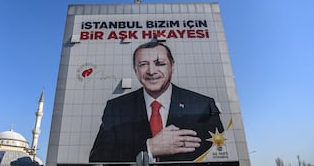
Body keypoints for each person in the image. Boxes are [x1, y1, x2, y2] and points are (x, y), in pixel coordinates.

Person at [89, 40, 224, 163]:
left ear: (172, 66)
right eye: (143, 65)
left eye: (159, 63)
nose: (151, 71)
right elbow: (97, 159)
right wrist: (149, 148)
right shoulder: (116, 108)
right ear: (135, 70)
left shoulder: (203, 105)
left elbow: (223, 156)